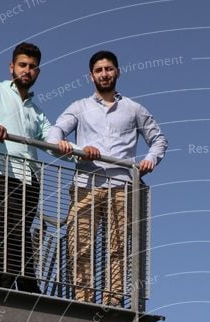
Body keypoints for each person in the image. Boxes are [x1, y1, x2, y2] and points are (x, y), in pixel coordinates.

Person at [47, 50, 168, 305]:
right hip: (86, 185)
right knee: (79, 244)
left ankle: (112, 301)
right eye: (99, 70)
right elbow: (53, 136)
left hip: (122, 186)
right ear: (91, 76)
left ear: (118, 72)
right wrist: (76, 150)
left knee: (118, 247)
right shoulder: (79, 107)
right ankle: (84, 299)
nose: (104, 74)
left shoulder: (133, 109)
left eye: (109, 69)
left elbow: (159, 140)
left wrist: (150, 160)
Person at [0, 42, 70, 292]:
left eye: (32, 67)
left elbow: (51, 142)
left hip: (30, 180)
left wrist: (81, 154)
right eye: (22, 65)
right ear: (11, 67)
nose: (27, 70)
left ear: (38, 72)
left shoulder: (36, 112)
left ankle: (1, 286)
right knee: (13, 223)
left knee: (14, 232)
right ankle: (28, 287)